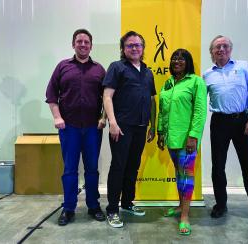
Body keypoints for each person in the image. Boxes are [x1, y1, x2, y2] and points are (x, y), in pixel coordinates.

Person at [203, 35, 248, 226]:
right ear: (212, 52)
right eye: (217, 47)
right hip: (219, 122)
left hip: (242, 120)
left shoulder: (243, 67)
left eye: (225, 46)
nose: (221, 49)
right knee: (218, 166)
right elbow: (201, 102)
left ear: (230, 49)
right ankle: (220, 205)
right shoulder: (207, 74)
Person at [46, 29, 106, 226]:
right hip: (69, 128)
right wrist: (57, 117)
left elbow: (108, 97)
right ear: (73, 44)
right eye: (79, 41)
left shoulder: (99, 69)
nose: (82, 44)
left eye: (86, 42)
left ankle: (93, 206)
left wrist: (104, 118)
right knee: (70, 170)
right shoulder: (62, 67)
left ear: (91, 45)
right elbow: (51, 94)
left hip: (92, 128)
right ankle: (68, 208)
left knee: (92, 169)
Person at [103, 31, 156, 228]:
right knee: (118, 167)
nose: (134, 48)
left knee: (133, 166)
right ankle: (112, 210)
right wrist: (113, 123)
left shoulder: (148, 72)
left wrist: (152, 125)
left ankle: (127, 203)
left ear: (143, 48)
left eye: (138, 45)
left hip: (141, 127)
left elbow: (151, 100)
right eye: (130, 45)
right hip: (122, 127)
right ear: (123, 49)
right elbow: (107, 96)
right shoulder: (117, 68)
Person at [157, 49, 207, 235]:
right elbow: (162, 111)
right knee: (179, 174)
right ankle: (180, 206)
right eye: (174, 58)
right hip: (172, 139)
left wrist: (193, 136)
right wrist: (161, 132)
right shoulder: (168, 83)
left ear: (188, 62)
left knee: (186, 177)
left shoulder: (196, 82)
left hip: (187, 140)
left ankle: (185, 216)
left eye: (181, 58)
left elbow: (200, 111)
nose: (177, 61)